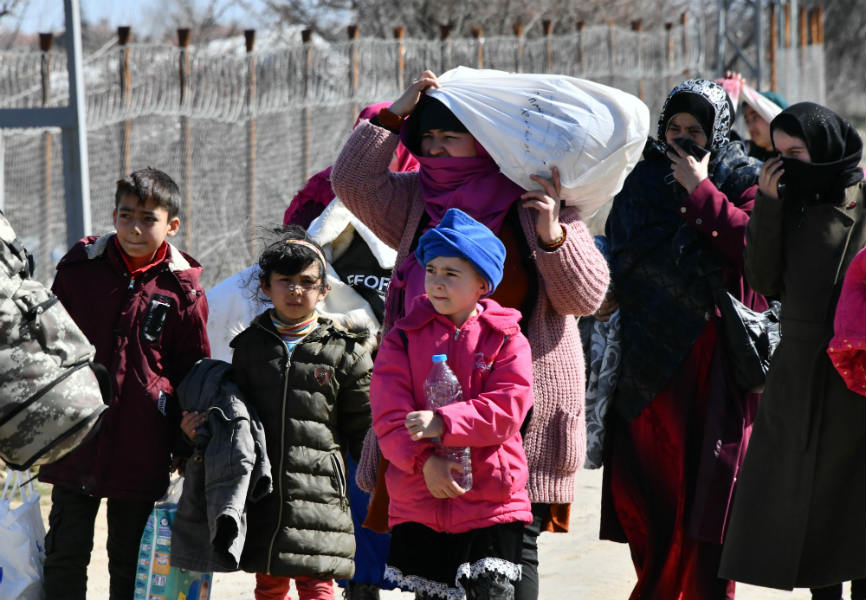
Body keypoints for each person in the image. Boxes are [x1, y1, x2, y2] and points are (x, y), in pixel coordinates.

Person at [331, 70, 609, 600]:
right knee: (431, 553)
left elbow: (585, 299)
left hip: (517, 414)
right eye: (427, 139)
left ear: (483, 141)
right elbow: (353, 184)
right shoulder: (417, 200)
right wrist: (396, 115)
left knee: (508, 552)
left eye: (449, 137)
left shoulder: (537, 201)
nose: (436, 149)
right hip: (425, 416)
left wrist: (554, 238)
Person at [598, 79, 764, 600]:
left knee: (708, 499)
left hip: (714, 366)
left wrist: (701, 192)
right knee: (648, 495)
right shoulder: (642, 180)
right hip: (649, 368)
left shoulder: (742, 178)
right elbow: (624, 252)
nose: (684, 140)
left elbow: (755, 252)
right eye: (675, 129)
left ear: (718, 131)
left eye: (697, 130)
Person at [38, 167, 211, 600]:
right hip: (76, 434)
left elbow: (191, 369)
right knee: (65, 551)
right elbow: (50, 343)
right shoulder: (79, 270)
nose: (135, 228)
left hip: (142, 440)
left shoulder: (182, 290)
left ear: (171, 225)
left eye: (148, 218)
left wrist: (184, 442)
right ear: (113, 214)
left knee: (130, 560)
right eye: (126, 215)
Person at [719, 102, 866, 597]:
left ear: (823, 148)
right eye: (776, 155)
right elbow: (761, 279)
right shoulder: (787, 205)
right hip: (800, 374)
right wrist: (768, 204)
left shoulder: (862, 200)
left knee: (856, 503)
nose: (785, 165)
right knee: (808, 509)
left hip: (859, 375)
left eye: (796, 153)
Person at [370, 207, 533, 598]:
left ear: (482, 283)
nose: (437, 283)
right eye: (431, 271)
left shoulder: (506, 339)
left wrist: (444, 421)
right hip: (419, 500)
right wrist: (425, 462)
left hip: (492, 502)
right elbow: (389, 417)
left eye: (451, 273)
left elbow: (508, 409)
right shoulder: (402, 339)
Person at [229, 227, 375, 600]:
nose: (296, 290)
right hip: (264, 491)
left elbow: (363, 424)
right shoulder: (249, 347)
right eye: (286, 281)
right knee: (268, 582)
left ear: (324, 290)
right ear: (266, 286)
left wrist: (378, 478)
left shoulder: (345, 351)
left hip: (322, 491)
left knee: (317, 582)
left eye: (307, 282)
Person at [741, 90, 789, 161]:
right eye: (747, 121)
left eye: (755, 117)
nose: (750, 127)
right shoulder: (746, 156)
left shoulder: (798, 157)